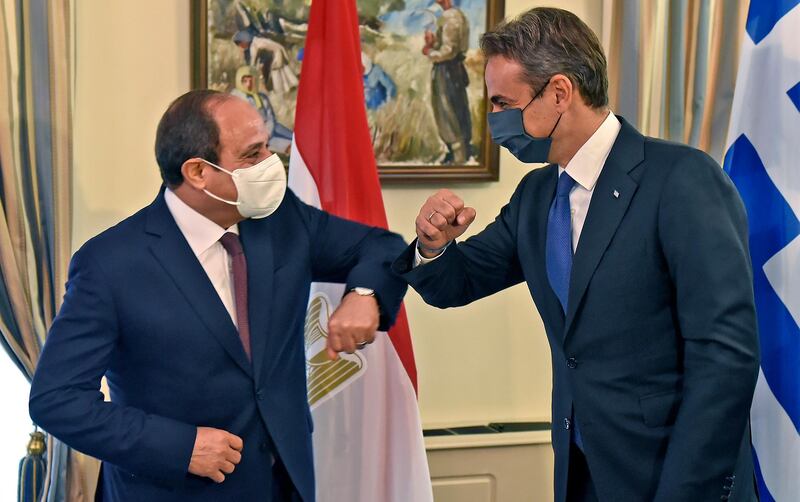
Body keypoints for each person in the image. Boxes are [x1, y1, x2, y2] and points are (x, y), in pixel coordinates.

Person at [394, 8, 759, 502]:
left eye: (503, 102)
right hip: (580, 473)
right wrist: (433, 246)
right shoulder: (537, 195)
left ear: (560, 92)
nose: (494, 119)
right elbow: (455, 283)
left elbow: (725, 358)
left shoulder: (681, 179)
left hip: (672, 476)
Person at [29, 90, 408, 501]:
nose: (270, 162)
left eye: (267, 145)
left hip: (283, 485)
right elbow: (57, 400)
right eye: (252, 153)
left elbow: (382, 246)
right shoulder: (111, 264)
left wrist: (364, 294)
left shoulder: (281, 220)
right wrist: (179, 446)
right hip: (174, 491)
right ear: (197, 172)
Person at [423, 0, 472, 164]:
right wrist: (432, 42)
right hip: (450, 69)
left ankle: (459, 155)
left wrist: (429, 51)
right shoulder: (451, 16)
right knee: (453, 108)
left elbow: (448, 51)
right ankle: (456, 152)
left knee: (448, 110)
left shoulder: (451, 17)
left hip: (447, 70)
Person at [230, 65, 293, 154]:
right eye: (245, 81)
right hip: (254, 133)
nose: (249, 84)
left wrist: (268, 131)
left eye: (251, 81)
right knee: (286, 145)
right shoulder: (236, 98)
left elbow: (271, 117)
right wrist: (263, 134)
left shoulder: (262, 97)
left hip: (270, 128)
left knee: (295, 139)